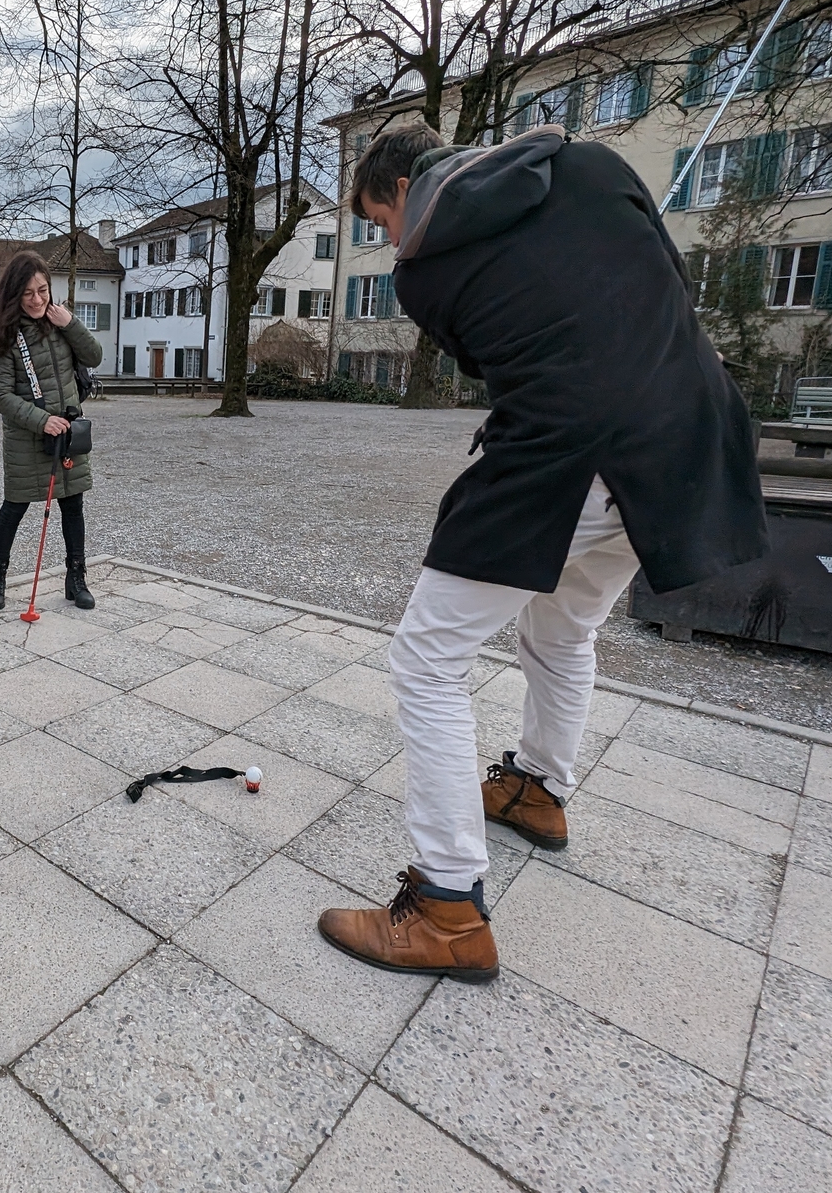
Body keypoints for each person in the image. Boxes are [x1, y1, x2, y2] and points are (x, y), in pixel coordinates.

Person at [317, 122, 767, 981]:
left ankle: (447, 907)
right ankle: (537, 789)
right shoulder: (591, 162)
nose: (388, 243)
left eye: (380, 220)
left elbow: (497, 362)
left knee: (428, 659)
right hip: (688, 440)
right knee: (562, 631)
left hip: (574, 454)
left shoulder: (425, 271)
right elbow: (665, 285)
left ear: (405, 189)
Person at [0, 251, 103, 611]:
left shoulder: (59, 323)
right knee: (14, 507)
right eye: (29, 293)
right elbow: (0, 395)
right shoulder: (2, 337)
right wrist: (40, 420)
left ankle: (76, 579)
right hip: (26, 437)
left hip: (68, 434)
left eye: (43, 290)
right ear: (14, 294)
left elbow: (93, 356)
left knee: (73, 505)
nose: (37, 300)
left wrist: (71, 323)